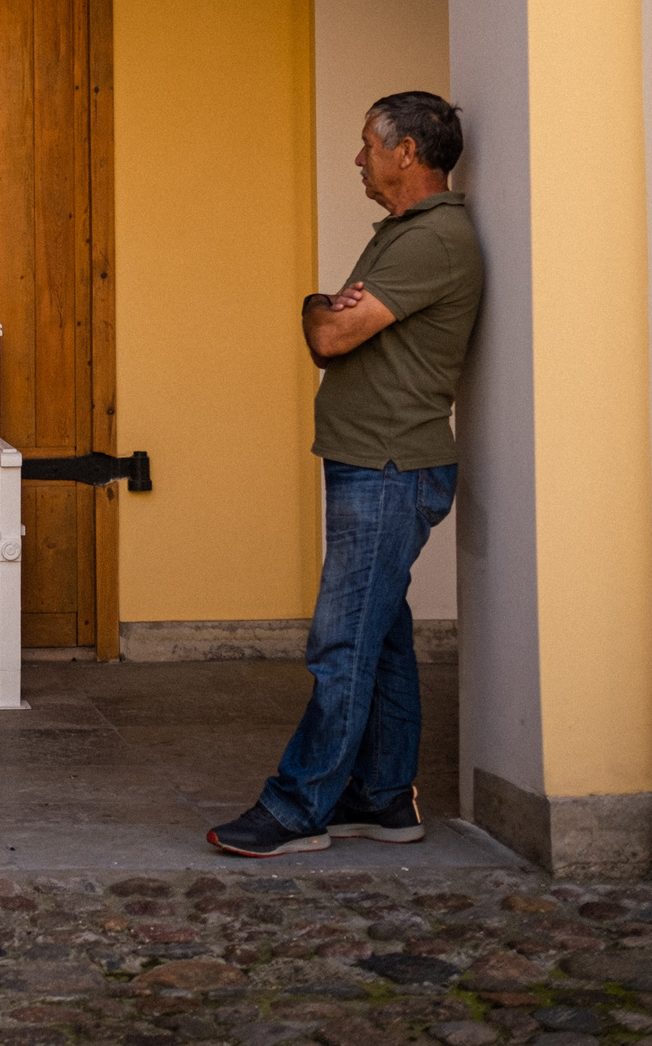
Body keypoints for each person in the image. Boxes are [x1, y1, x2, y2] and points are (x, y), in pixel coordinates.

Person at [210, 91, 485, 857]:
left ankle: (299, 805)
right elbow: (339, 325)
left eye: (368, 144)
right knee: (383, 635)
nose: (357, 157)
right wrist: (331, 312)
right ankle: (385, 799)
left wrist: (316, 305)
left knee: (342, 643)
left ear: (408, 153)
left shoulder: (432, 242)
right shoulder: (402, 235)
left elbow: (330, 334)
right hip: (375, 459)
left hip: (390, 465)